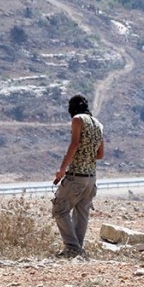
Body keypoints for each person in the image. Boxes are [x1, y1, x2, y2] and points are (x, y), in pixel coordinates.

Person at [51, 94, 104, 258]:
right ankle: (77, 250)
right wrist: (87, 155)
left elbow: (74, 144)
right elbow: (100, 154)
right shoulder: (98, 125)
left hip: (76, 176)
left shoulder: (77, 120)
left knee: (59, 209)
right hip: (91, 178)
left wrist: (62, 169)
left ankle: (72, 247)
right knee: (82, 213)